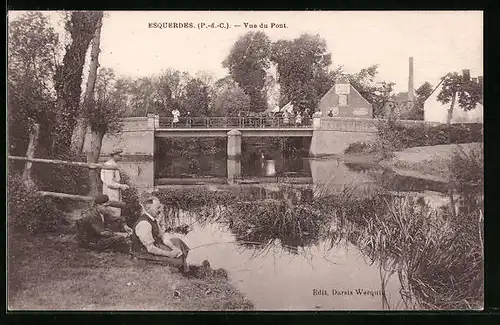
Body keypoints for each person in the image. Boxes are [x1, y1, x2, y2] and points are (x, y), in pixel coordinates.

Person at [131, 194, 190, 272]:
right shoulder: (144, 224)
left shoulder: (153, 219)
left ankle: (184, 267)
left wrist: (173, 248)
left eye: (160, 207)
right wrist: (169, 254)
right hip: (143, 255)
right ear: (148, 209)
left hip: (154, 247)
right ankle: (183, 271)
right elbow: (150, 248)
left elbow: (163, 237)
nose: (160, 210)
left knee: (178, 242)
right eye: (157, 207)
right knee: (176, 261)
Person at [100, 149, 129, 228]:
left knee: (115, 209)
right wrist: (121, 186)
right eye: (119, 155)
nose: (121, 157)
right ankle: (112, 228)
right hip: (110, 191)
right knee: (112, 210)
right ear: (114, 155)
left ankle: (115, 227)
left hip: (114, 191)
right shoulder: (109, 165)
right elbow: (109, 183)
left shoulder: (113, 164)